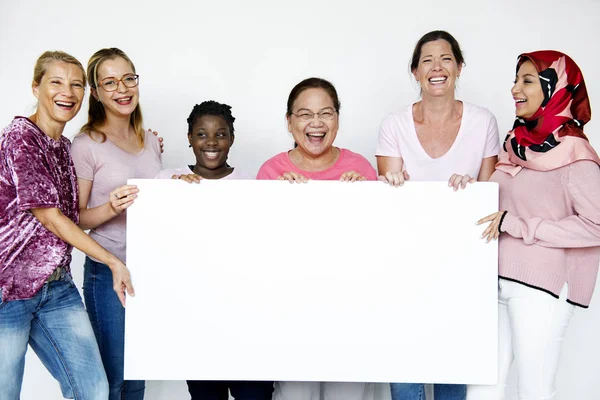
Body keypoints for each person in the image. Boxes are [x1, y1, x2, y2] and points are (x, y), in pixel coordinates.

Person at [0, 50, 134, 400]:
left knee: (93, 390)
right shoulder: (20, 137)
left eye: (76, 84)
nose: (68, 92)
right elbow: (50, 217)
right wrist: (113, 260)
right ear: (36, 87)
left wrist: (111, 205)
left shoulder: (62, 146)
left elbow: (73, 216)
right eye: (56, 82)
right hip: (7, 291)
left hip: (56, 288)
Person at [468, 51, 600, 400]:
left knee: (534, 389)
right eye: (515, 80)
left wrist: (525, 226)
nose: (515, 89)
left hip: (541, 287)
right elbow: (497, 207)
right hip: (494, 282)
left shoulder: (575, 155)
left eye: (527, 80)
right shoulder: (517, 146)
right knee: (482, 389)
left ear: (554, 89)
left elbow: (596, 225)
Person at [376, 30, 500, 400]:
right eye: (426, 60)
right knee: (405, 372)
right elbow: (390, 200)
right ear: (414, 72)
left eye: (446, 58)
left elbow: (489, 195)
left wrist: (472, 190)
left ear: (459, 67)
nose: (437, 67)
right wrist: (395, 182)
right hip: (405, 264)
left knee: (452, 367)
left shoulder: (483, 121)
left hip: (463, 265)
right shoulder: (394, 124)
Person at [257, 77, 376, 400]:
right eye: (305, 114)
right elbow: (259, 251)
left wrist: (364, 198)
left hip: (350, 314)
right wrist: (278, 201)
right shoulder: (270, 172)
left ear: (337, 118)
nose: (316, 123)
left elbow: (378, 247)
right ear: (289, 121)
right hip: (291, 316)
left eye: (326, 113)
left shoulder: (361, 168)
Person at [157, 100, 274, 400]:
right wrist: (173, 194)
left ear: (232, 139)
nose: (211, 142)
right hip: (198, 327)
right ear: (189, 138)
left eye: (221, 134)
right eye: (201, 134)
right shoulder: (167, 182)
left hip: (249, 324)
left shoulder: (252, 184)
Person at [71, 47, 162, 400]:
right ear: (95, 92)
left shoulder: (151, 140)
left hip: (148, 272)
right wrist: (110, 207)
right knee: (114, 379)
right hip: (107, 271)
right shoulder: (86, 144)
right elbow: (75, 218)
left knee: (137, 376)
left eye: (128, 78)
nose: (122, 88)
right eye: (109, 82)